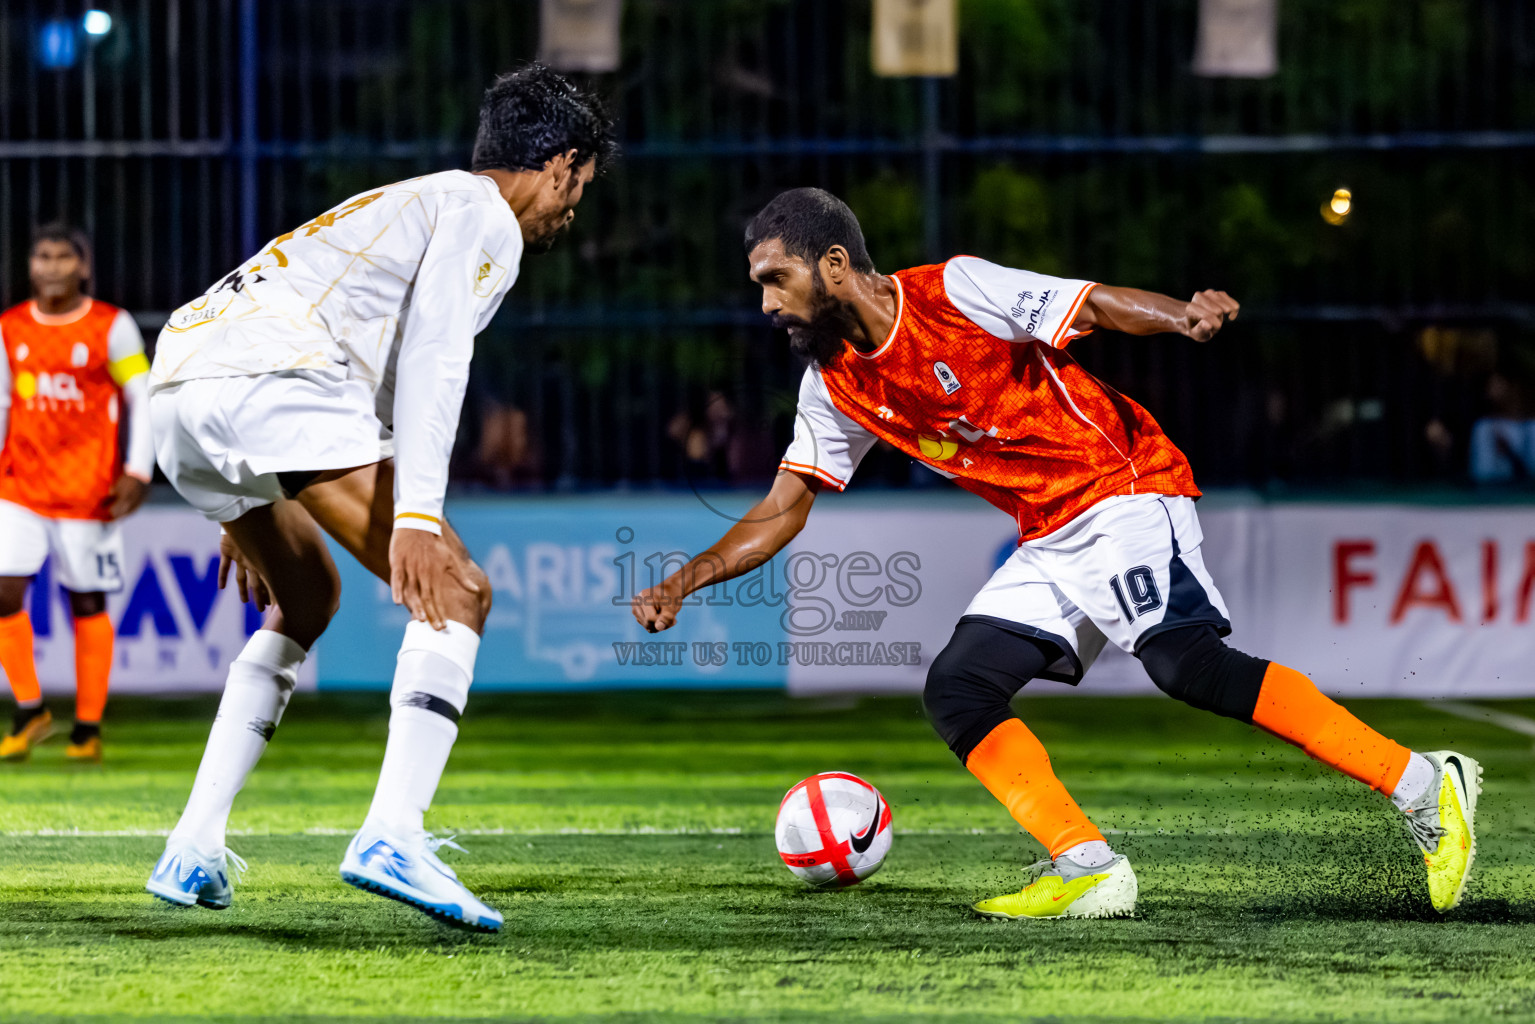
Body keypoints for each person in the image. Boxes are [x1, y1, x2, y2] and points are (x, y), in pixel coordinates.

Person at [633, 187, 1481, 919]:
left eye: (774, 279)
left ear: (832, 265)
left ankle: (1422, 784)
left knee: (1186, 664)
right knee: (959, 689)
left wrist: (1180, 316)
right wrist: (687, 579)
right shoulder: (831, 384)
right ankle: (1086, 866)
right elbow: (783, 508)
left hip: (1122, 488)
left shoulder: (954, 291)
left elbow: (1094, 304)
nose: (765, 303)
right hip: (1048, 535)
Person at [143, 64, 616, 931]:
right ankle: (393, 835)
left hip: (180, 386)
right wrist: (417, 518)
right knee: (459, 592)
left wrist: (246, 485)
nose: (572, 208)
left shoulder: (412, 201)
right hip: (271, 381)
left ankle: (192, 846)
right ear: (559, 164)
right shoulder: (482, 216)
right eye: (579, 184)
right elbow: (436, 357)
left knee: (307, 596)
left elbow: (376, 381)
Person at [0, 224, 153, 763]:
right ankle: (30, 709)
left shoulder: (111, 325)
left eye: (64, 257)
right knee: (3, 593)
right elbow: (3, 404)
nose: (52, 266)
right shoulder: (10, 326)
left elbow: (142, 395)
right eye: (42, 256)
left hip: (89, 490)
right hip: (20, 486)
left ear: (83, 266)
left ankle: (87, 729)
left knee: (87, 602)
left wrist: (139, 470)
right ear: (31, 265)